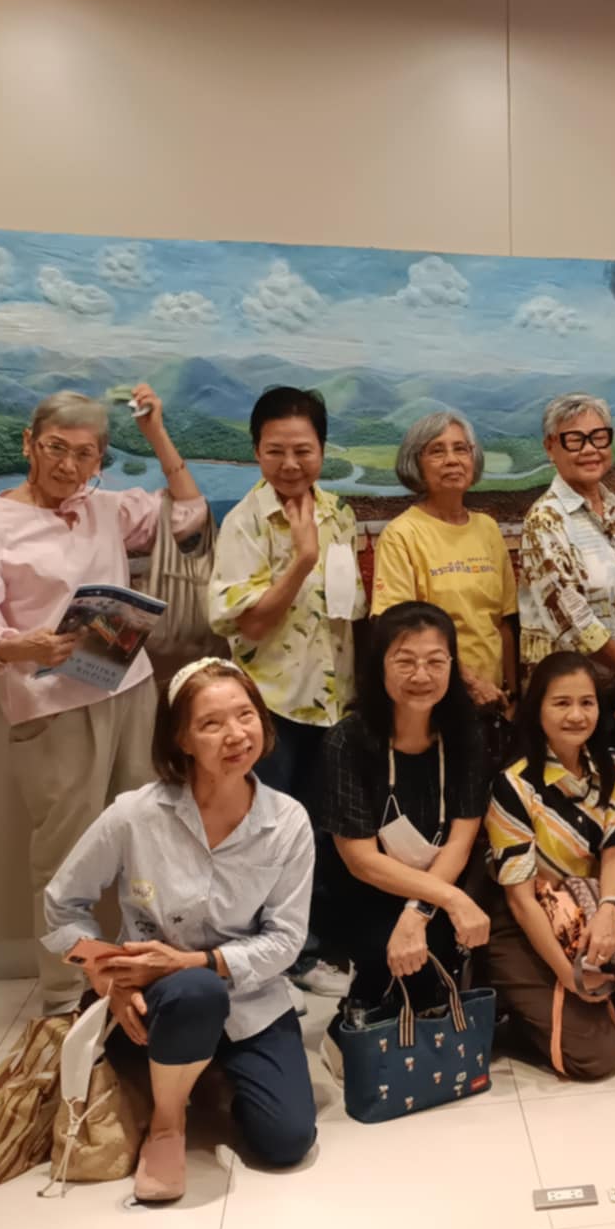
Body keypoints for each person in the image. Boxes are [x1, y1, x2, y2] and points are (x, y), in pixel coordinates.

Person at [0, 387, 205, 1011]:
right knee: (64, 858)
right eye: (56, 448)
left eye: (85, 454)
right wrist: (23, 644)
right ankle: (64, 995)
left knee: (152, 839)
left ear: (99, 459)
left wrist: (156, 433)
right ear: (29, 444)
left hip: (131, 692)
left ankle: (147, 976)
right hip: (53, 709)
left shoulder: (105, 509)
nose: (68, 465)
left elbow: (189, 515)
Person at [42, 659, 315, 1202]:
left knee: (286, 1141)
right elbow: (62, 906)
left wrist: (194, 961)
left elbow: (286, 940)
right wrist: (107, 978)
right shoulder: (135, 816)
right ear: (182, 739)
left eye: (245, 715)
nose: (235, 735)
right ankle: (168, 1126)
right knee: (195, 992)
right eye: (211, 724)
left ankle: (206, 1071)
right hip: (157, 1004)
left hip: (251, 1001)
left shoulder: (287, 822)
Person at [208, 387, 365, 989]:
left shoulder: (339, 513)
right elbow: (247, 624)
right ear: (256, 451)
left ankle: (313, 948)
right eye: (275, 451)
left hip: (334, 702)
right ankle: (270, 960)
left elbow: (347, 608)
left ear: (322, 449)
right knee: (266, 834)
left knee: (323, 830)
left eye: (303, 450)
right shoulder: (245, 523)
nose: (291, 464)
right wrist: (301, 559)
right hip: (270, 706)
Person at [483, 651, 615, 1080]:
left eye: (586, 702)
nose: (576, 715)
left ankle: (583, 1010)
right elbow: (519, 901)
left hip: (581, 910)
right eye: (561, 703)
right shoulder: (514, 783)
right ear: (538, 710)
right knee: (595, 1061)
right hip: (522, 925)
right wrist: (569, 977)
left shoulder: (613, 768)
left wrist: (608, 911)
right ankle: (523, 1018)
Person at [318, 602, 492, 1036]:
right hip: (368, 891)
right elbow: (361, 860)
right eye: (405, 661)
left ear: (452, 665)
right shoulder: (348, 740)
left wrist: (418, 912)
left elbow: (460, 842)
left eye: (435, 661)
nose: (421, 675)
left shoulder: (467, 734)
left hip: (441, 882)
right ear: (379, 665)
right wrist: (449, 901)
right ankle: (365, 1010)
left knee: (437, 954)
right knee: (384, 950)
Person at [519, 393, 615, 858]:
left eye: (599, 437)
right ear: (551, 447)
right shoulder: (545, 519)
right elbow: (568, 612)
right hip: (568, 703)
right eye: (575, 439)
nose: (589, 449)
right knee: (572, 832)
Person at [372, 410, 517, 712]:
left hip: (494, 699)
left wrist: (513, 696)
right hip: (433, 698)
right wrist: (472, 685)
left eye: (460, 449)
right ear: (416, 464)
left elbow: (503, 622)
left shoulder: (488, 529)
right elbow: (400, 630)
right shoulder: (401, 535)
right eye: (437, 451)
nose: (452, 460)